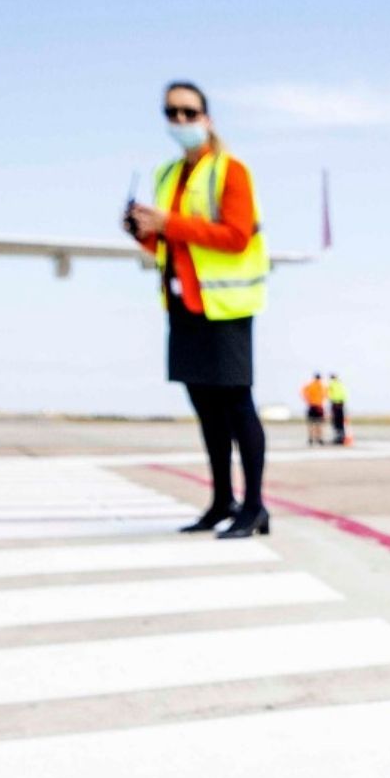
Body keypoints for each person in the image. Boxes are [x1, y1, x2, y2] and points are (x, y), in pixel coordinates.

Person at [125, 80, 271, 539]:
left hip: (224, 306)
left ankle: (255, 506)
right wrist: (142, 229)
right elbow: (169, 241)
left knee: (236, 406)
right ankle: (221, 500)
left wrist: (168, 222)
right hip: (183, 303)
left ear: (207, 117)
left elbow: (236, 236)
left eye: (190, 112)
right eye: (173, 113)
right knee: (205, 410)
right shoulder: (167, 174)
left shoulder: (231, 171)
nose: (181, 121)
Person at [302, 372, 326, 446]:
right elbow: (325, 395)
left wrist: (308, 400)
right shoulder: (322, 386)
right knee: (319, 424)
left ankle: (311, 438)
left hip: (312, 406)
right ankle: (319, 438)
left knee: (311, 423)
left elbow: (304, 393)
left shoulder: (310, 385)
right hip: (319, 406)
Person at [326, 372, 350, 445]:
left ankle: (337, 438)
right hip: (341, 404)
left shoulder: (331, 384)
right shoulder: (340, 384)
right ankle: (342, 437)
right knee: (341, 422)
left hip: (335, 404)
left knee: (336, 423)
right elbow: (345, 395)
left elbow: (328, 394)